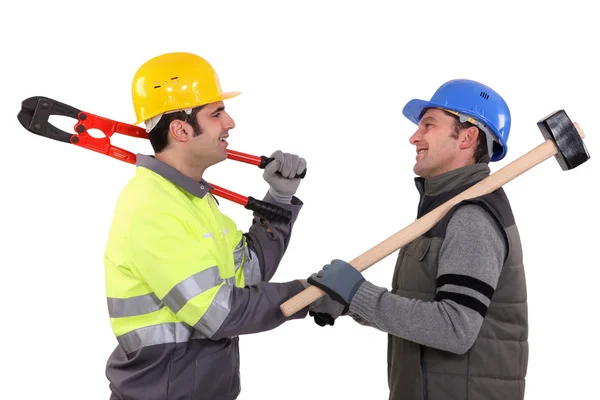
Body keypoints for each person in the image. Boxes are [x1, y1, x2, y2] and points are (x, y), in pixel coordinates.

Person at [102, 52, 343, 400]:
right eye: (216, 113)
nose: (230, 123)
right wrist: (308, 294)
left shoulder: (197, 202)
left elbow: (251, 272)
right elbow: (221, 313)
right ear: (181, 129)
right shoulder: (151, 208)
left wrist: (279, 199)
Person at [307, 79, 528, 400]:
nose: (414, 137)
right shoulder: (443, 210)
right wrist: (350, 303)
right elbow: (423, 315)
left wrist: (359, 294)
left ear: (467, 136)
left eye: (428, 124)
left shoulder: (471, 217)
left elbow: (455, 329)